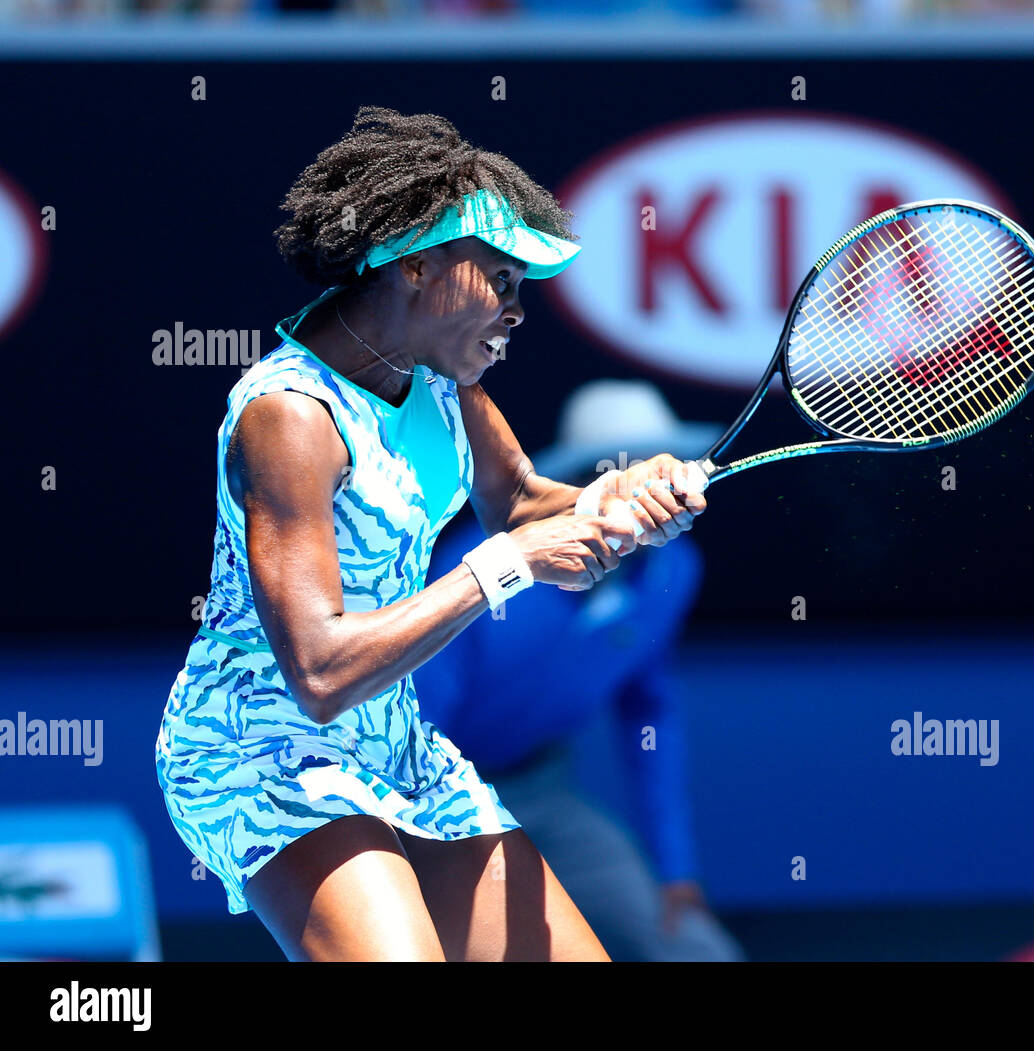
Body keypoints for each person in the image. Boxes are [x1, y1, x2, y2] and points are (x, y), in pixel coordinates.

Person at [154, 107, 707, 962]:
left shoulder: (441, 386)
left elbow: (523, 502)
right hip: (258, 749)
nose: (518, 310)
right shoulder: (290, 417)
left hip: (396, 745)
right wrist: (508, 565)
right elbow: (319, 671)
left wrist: (617, 496)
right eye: (501, 279)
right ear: (416, 266)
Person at [413, 381, 745, 961]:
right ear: (588, 486)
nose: (651, 498)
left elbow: (649, 712)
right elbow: (415, 728)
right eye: (626, 474)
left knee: (696, 952)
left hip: (544, 791)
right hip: (430, 802)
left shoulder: (675, 571)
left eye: (659, 472)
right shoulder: (474, 570)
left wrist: (675, 869)